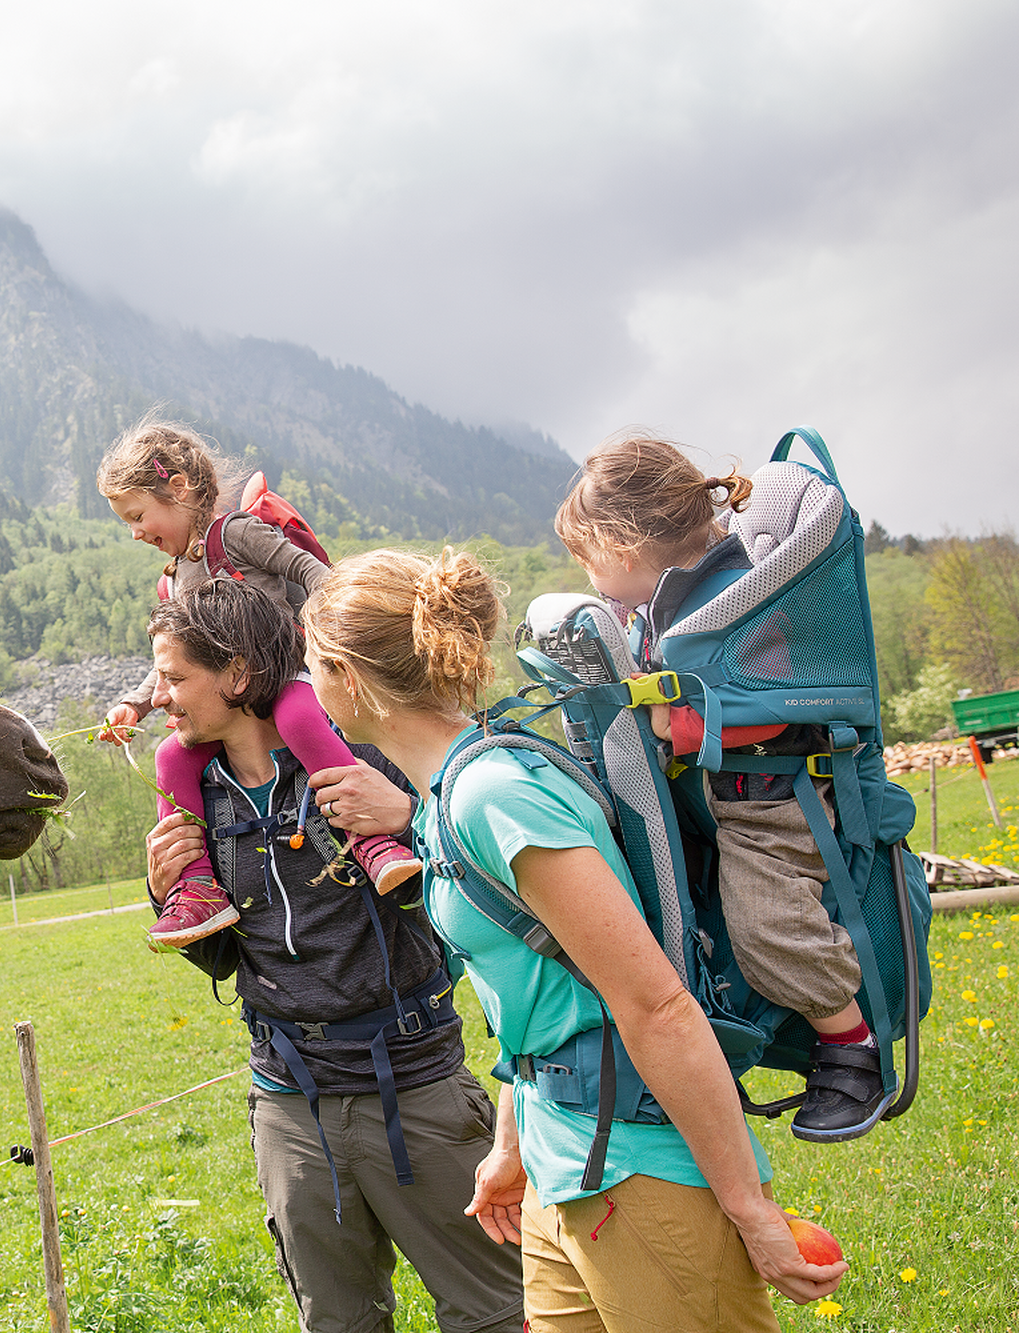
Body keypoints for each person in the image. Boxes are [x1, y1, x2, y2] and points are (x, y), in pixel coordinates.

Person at [299, 545, 847, 1331]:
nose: (309, 686)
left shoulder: (498, 796)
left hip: (637, 1168)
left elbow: (655, 1003)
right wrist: (513, 1144)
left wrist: (750, 1210)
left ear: (350, 678)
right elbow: (548, 988)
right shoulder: (445, 795)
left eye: (314, 663)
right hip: (564, 1171)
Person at [141, 577, 522, 1333]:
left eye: (176, 676)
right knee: (338, 1321)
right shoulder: (196, 795)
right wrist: (165, 895)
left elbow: (475, 895)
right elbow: (222, 960)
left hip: (414, 1089)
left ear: (239, 676)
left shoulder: (362, 754)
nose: (159, 695)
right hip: (289, 1100)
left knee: (496, 1314)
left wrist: (412, 822)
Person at [555, 434, 883, 1141]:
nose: (589, 579)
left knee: (768, 929)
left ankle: (852, 1043)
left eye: (587, 560)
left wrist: (655, 707)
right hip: (714, 798)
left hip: (772, 803)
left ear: (622, 546)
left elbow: (758, 703)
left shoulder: (739, 599)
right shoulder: (669, 602)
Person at [98, 416, 419, 950]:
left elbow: (314, 573)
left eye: (137, 515)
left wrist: (334, 638)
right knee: (171, 758)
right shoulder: (174, 580)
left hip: (284, 674)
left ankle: (370, 839)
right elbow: (174, 659)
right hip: (231, 694)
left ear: (177, 488)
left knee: (296, 717)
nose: (134, 532)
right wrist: (136, 704)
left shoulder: (238, 534)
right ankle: (196, 885)